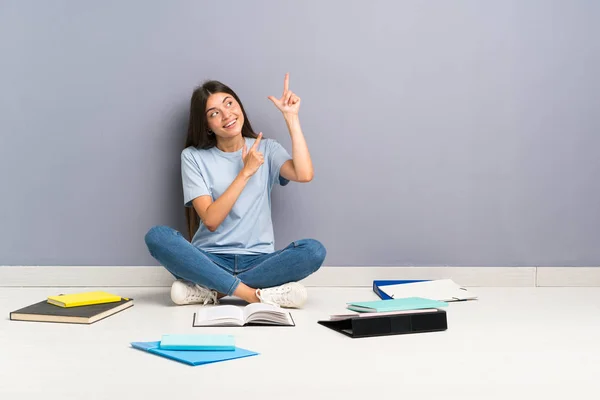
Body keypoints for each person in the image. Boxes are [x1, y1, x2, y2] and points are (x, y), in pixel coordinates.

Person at [144, 73, 326, 308]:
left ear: (239, 105)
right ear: (207, 125)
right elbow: (211, 220)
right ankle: (254, 294)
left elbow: (304, 174)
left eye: (229, 103)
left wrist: (291, 118)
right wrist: (245, 173)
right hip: (208, 259)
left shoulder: (267, 149)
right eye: (214, 113)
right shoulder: (193, 157)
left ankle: (212, 290)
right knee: (157, 236)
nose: (226, 114)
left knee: (313, 251)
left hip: (260, 261)